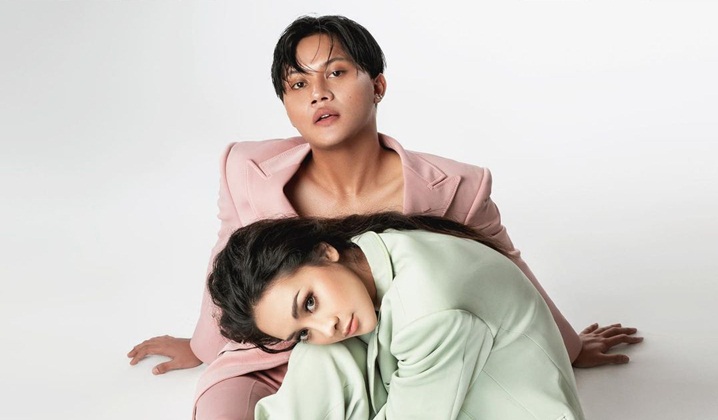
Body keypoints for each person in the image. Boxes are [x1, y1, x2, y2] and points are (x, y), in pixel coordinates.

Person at [126, 14, 641, 419]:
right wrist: (203, 346)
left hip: (385, 352)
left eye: (336, 72)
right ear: (285, 104)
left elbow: (505, 268)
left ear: (377, 85)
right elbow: (228, 258)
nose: (318, 93)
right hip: (278, 353)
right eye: (297, 84)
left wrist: (569, 347)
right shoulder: (246, 167)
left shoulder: (454, 185)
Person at [208, 211, 586, 419]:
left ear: (325, 252)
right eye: (301, 330)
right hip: (444, 388)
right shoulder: (368, 252)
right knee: (321, 353)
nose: (327, 326)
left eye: (309, 302)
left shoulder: (430, 310)